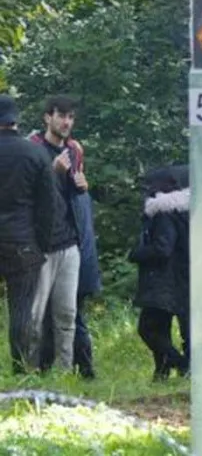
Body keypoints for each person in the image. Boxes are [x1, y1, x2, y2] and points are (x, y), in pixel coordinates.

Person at [0, 94, 61, 375]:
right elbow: (49, 206)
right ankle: (21, 369)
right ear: (15, 120)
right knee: (22, 308)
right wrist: (43, 245)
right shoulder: (34, 153)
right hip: (22, 242)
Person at [27, 95, 85, 376]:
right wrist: (53, 172)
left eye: (71, 117)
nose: (66, 122)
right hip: (41, 245)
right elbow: (26, 193)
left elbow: (69, 196)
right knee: (34, 315)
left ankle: (64, 374)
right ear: (47, 117)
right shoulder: (33, 149)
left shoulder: (74, 150)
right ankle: (29, 371)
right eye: (61, 115)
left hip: (69, 243)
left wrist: (82, 185)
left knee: (67, 315)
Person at [128, 164, 191, 381]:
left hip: (163, 280)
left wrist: (137, 253)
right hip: (180, 278)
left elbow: (163, 248)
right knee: (163, 327)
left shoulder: (163, 213)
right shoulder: (184, 211)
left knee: (149, 328)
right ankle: (162, 372)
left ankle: (181, 364)